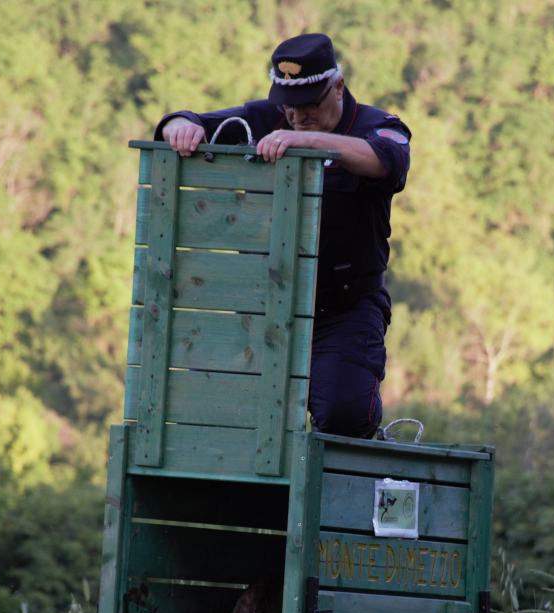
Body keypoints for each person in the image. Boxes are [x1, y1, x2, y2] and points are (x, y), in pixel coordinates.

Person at [156, 33, 410, 439]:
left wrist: (304, 142)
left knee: (343, 415)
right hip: (265, 305)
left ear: (338, 87)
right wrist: (179, 125)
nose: (298, 116)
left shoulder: (376, 126)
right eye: (289, 106)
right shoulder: (265, 118)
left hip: (344, 308)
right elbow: (192, 122)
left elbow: (387, 161)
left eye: (310, 104)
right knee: (230, 421)